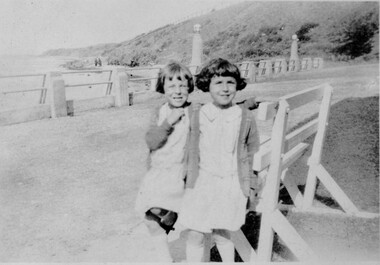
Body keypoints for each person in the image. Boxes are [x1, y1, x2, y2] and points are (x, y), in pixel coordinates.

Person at [178, 58, 260, 262]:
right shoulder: (198, 114)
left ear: (237, 85)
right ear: (207, 85)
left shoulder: (244, 117)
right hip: (201, 184)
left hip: (230, 185)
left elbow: (251, 152)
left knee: (222, 234)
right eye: (218, 83)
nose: (225, 89)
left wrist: (251, 186)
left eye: (230, 82)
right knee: (195, 234)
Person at [135, 61, 195, 262]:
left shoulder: (194, 111)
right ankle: (164, 259)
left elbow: (220, 111)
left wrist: (246, 105)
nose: (177, 91)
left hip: (179, 172)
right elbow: (151, 141)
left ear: (189, 88)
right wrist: (169, 121)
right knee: (151, 218)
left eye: (182, 86)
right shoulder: (160, 112)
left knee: (156, 208)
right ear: (163, 88)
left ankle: (170, 217)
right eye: (171, 87)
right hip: (158, 171)